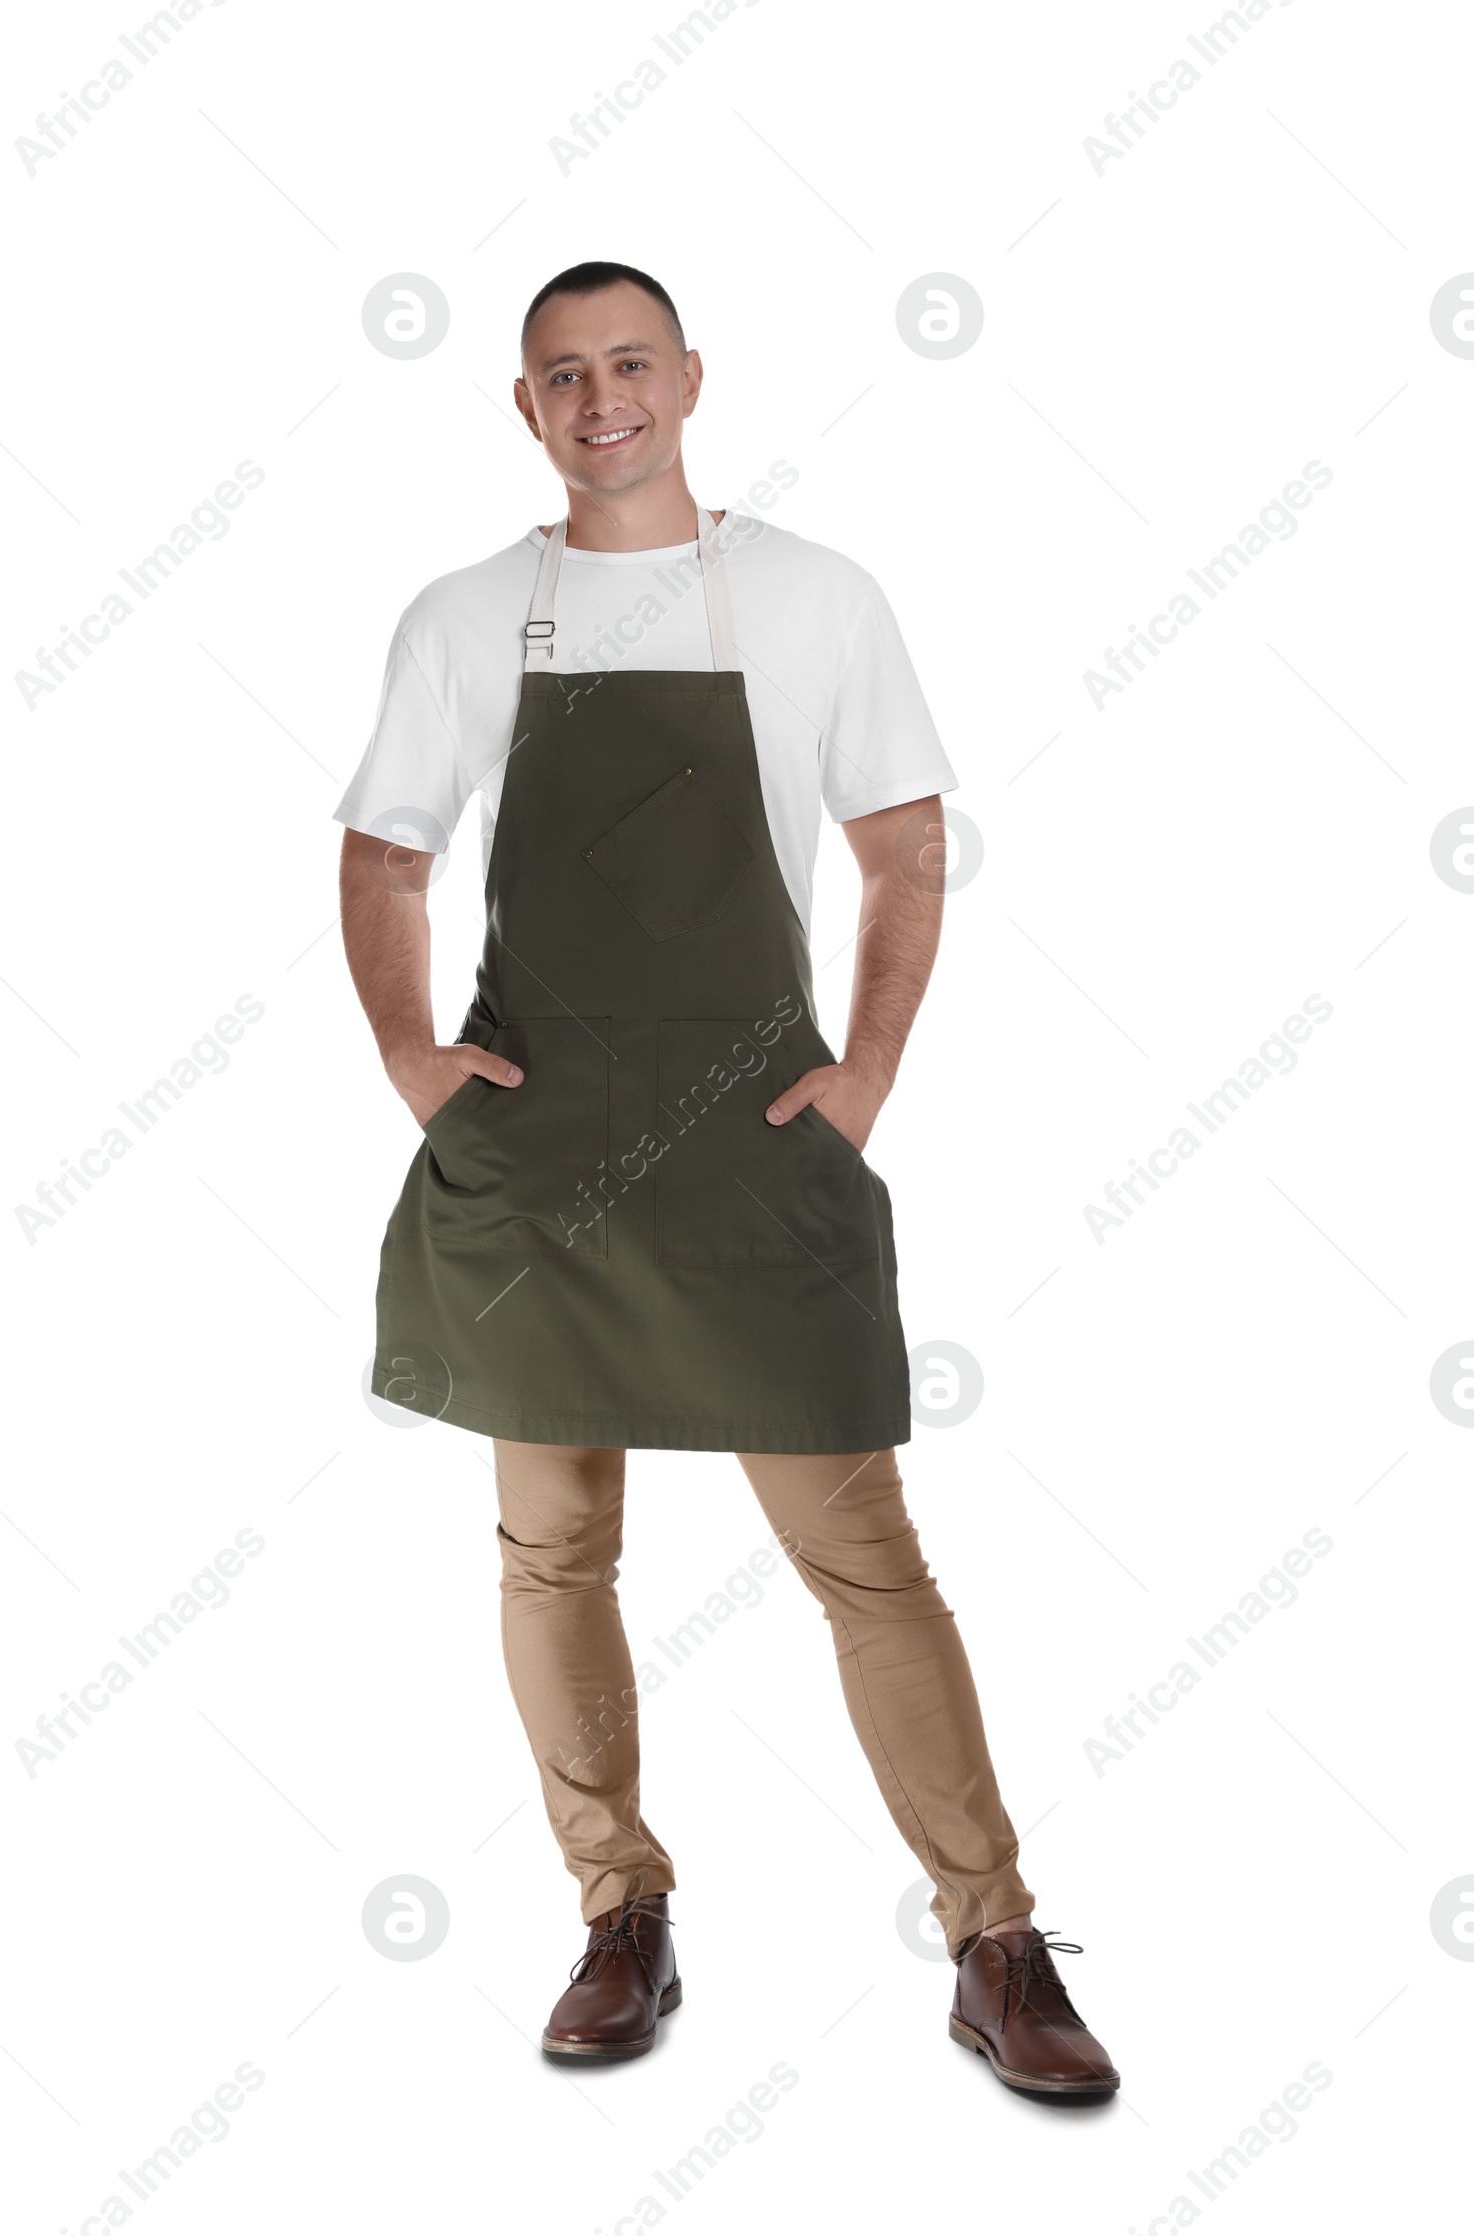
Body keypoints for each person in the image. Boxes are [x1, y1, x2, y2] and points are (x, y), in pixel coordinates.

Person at [335, 261, 1118, 2096]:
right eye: (560, 374)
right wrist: (411, 1062)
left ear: (690, 377)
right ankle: (621, 1913)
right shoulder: (465, 619)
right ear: (521, 408)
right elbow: (384, 857)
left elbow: (908, 845)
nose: (601, 397)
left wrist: (862, 1082)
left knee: (864, 1558)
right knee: (552, 1550)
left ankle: (992, 1936)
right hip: (542, 1156)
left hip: (758, 1147)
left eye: (629, 362)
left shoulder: (810, 595)